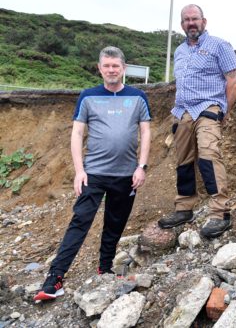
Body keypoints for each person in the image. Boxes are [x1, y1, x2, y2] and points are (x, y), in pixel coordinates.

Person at [34, 46, 151, 301]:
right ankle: (54, 279)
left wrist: (141, 167)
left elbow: (145, 132)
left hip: (126, 175)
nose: (111, 70)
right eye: (106, 66)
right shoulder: (88, 97)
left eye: (115, 66)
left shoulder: (138, 97)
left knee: (115, 223)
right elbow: (77, 133)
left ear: (124, 68)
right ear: (100, 68)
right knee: (80, 222)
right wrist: (79, 171)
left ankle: (105, 268)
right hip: (94, 173)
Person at [157, 4, 236, 239]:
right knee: (183, 160)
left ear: (204, 21)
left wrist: (223, 111)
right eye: (186, 20)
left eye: (195, 19)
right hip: (183, 112)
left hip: (208, 108)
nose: (191, 23)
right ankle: (184, 207)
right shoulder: (180, 51)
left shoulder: (220, 46)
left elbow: (234, 80)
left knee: (208, 156)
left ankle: (220, 213)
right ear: (182, 24)